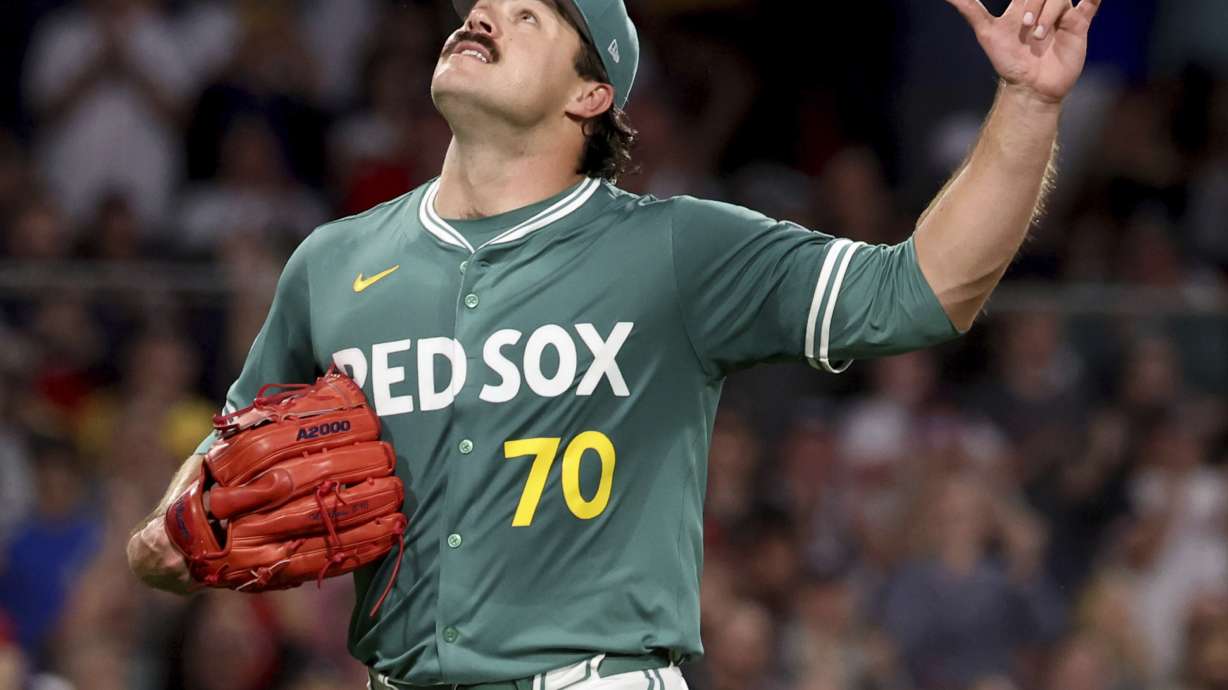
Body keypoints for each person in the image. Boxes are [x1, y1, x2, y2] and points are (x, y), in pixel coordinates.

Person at [127, 0, 1104, 688]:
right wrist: (169, 537)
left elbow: (921, 291)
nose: (485, 13)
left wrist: (1027, 101)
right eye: (483, 3)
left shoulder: (673, 249)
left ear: (589, 95)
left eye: (531, 14)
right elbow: (227, 451)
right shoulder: (332, 262)